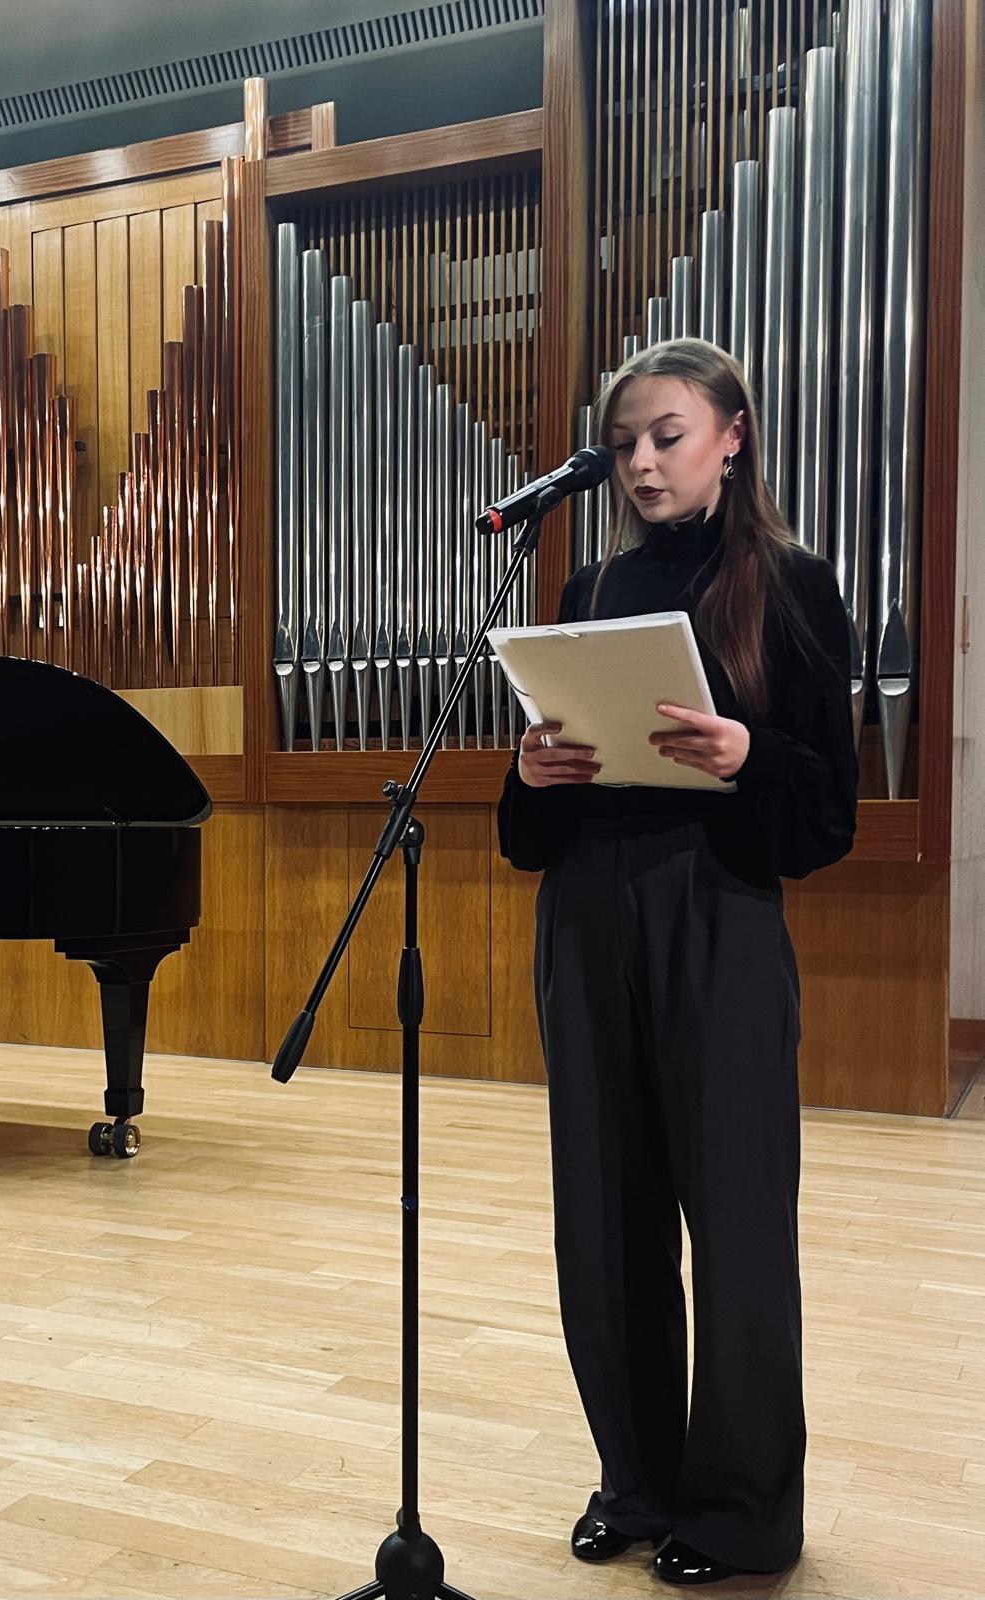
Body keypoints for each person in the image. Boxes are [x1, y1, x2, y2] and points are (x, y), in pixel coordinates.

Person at [497, 338, 858, 1586]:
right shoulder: (591, 586)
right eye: (625, 445)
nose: (643, 464)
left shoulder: (793, 585)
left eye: (668, 435)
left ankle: (743, 1510)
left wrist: (748, 755)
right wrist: (530, 773)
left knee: (739, 1219)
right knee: (603, 1214)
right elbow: (529, 830)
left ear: (731, 436)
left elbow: (827, 814)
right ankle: (636, 1480)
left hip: (720, 912)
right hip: (588, 913)